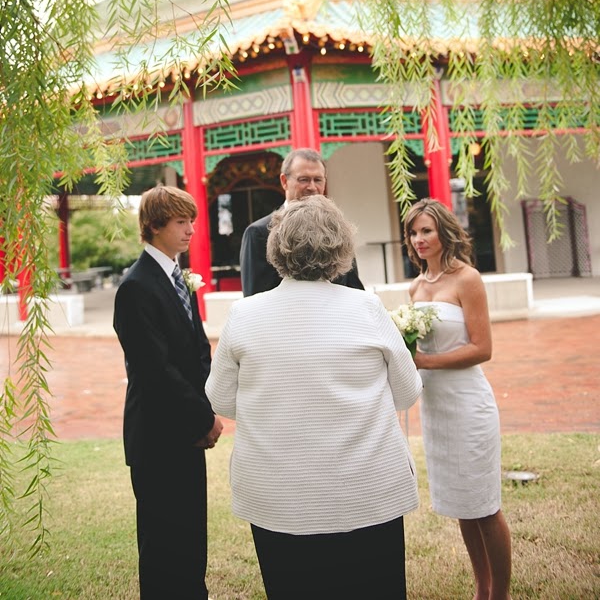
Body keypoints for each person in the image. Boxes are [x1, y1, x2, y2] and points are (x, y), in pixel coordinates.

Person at [206, 195, 422, 600]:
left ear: (276, 248)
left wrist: (274, 406)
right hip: (366, 489)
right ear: (340, 248)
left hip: (279, 494)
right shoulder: (367, 307)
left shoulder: (244, 314)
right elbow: (407, 390)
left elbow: (220, 398)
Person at [113, 185, 223, 600]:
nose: (191, 230)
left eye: (191, 220)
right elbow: (155, 370)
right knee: (163, 545)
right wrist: (203, 419)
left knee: (191, 538)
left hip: (188, 431)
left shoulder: (177, 277)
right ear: (155, 225)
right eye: (181, 221)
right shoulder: (136, 287)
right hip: (158, 436)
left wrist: (209, 404)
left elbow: (198, 350)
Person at [404, 198, 512, 600]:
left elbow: (482, 349)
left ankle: (500, 594)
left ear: (444, 232)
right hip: (436, 408)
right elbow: (413, 349)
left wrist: (424, 361)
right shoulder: (416, 287)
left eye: (426, 230)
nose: (419, 239)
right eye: (413, 232)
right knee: (462, 505)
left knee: (484, 505)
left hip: (468, 404)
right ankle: (481, 588)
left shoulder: (468, 279)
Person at [239, 147, 364, 295]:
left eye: (318, 180)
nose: (312, 187)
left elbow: (354, 288)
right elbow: (255, 297)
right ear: (284, 181)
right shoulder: (259, 233)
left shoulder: (338, 228)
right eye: (304, 179)